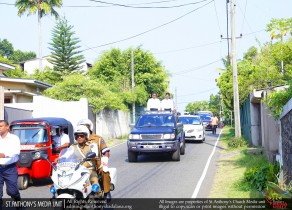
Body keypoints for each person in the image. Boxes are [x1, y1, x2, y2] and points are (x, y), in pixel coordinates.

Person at [77, 119, 111, 200]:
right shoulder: (78, 137)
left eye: (86, 126)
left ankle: (107, 191)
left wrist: (105, 160)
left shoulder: (97, 139)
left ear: (90, 127)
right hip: (80, 164)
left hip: (96, 162)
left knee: (104, 171)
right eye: (82, 126)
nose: (84, 127)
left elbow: (106, 151)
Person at [0, 120, 21, 207]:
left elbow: (16, 151)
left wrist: (4, 154)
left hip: (10, 168)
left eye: (1, 126)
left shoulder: (14, 138)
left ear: (7, 127)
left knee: (12, 191)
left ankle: (18, 202)